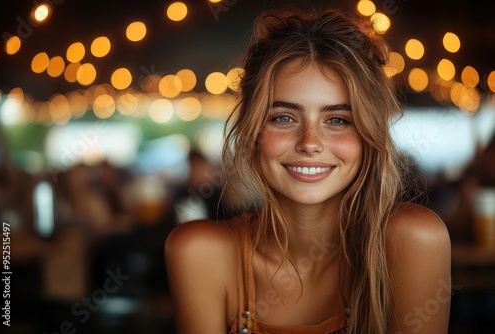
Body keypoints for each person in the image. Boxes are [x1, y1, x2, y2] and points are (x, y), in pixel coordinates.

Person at [165, 7, 451, 334]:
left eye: (338, 120)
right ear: (252, 131)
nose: (310, 143)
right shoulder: (199, 251)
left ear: (370, 137)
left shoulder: (412, 240)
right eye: (284, 117)